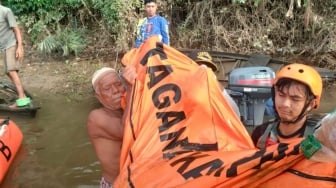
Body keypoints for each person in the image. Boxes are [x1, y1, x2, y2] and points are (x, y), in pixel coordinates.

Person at [251, 63, 323, 148]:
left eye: (295, 99)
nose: (285, 104)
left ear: (311, 104)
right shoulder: (261, 133)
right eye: (281, 95)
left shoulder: (321, 137)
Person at [87, 66, 136, 188]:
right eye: (107, 88)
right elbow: (126, 130)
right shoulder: (96, 117)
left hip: (138, 180)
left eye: (118, 84)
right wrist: (131, 88)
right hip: (116, 184)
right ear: (99, 97)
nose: (115, 91)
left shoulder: (128, 110)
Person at [188, 50, 241, 117]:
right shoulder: (180, 86)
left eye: (209, 69)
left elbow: (235, 114)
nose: (205, 71)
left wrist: (217, 87)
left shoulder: (214, 91)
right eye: (199, 66)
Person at [0, 4, 30, 108]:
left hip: (11, 44)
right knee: (8, 72)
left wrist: (20, 47)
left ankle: (21, 98)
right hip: (3, 47)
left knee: (12, 71)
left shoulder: (6, 11)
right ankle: (23, 95)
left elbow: (16, 29)